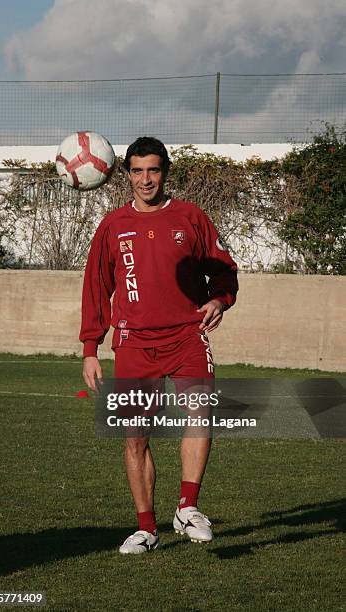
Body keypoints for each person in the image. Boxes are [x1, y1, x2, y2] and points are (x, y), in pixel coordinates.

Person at [80, 136, 238, 554]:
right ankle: (146, 529)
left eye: (153, 170)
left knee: (200, 414)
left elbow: (224, 270)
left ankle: (187, 506)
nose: (145, 179)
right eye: (137, 170)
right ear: (126, 174)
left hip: (187, 335)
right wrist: (90, 348)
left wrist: (220, 299)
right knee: (135, 438)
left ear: (165, 172)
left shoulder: (190, 217)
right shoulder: (113, 225)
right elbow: (96, 287)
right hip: (133, 343)